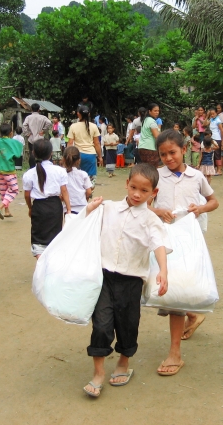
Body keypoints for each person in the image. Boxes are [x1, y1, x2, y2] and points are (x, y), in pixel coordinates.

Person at [83, 164, 171, 398]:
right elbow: (86, 224)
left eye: (144, 191)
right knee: (101, 325)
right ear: (126, 183)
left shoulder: (151, 220)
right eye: (133, 187)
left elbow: (159, 244)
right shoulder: (108, 208)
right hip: (103, 277)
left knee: (127, 324)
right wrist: (90, 209)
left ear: (154, 192)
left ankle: (123, 362)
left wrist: (163, 269)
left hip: (131, 281)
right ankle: (98, 372)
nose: (136, 194)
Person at [151, 129, 219, 374]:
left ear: (184, 150)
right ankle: (193, 315)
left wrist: (199, 209)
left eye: (173, 152)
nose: (168, 158)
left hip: (190, 241)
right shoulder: (156, 176)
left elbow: (214, 202)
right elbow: (144, 203)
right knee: (167, 289)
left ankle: (174, 354)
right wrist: (158, 212)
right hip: (164, 242)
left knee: (176, 291)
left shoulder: (196, 176)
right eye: (163, 154)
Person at [23, 139, 71, 258]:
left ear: (33, 153)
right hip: (55, 206)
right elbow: (64, 191)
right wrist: (68, 209)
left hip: (38, 207)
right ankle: (52, 261)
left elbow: (27, 195)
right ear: (51, 154)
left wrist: (30, 208)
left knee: (38, 236)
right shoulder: (60, 171)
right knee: (55, 235)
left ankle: (41, 260)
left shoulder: (29, 173)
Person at [0, 124, 24, 219]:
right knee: (14, 190)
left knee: (4, 190)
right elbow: (18, 154)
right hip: (9, 170)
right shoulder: (13, 142)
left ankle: (7, 211)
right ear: (11, 133)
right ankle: (1, 205)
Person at [67, 106, 103, 184]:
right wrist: (100, 157)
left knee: (77, 178)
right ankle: (89, 195)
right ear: (89, 114)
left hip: (77, 155)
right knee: (90, 178)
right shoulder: (94, 126)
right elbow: (97, 143)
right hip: (91, 155)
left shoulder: (73, 126)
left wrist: (67, 156)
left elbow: (70, 143)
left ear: (78, 114)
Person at [62, 146, 93, 214]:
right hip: (82, 207)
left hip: (67, 208)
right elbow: (89, 192)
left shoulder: (61, 174)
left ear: (63, 159)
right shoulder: (83, 174)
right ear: (79, 160)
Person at [22, 103, 53, 168]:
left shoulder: (28, 117)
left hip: (31, 138)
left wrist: (27, 133)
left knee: (32, 153)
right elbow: (49, 123)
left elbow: (24, 125)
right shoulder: (43, 117)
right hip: (40, 138)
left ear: (31, 109)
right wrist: (44, 130)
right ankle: (41, 166)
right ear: (39, 110)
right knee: (41, 153)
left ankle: (32, 167)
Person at [208, 108, 223, 175]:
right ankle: (214, 169)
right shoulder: (211, 119)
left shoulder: (218, 120)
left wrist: (222, 139)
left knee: (217, 154)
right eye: (211, 114)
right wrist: (207, 116)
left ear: (216, 113)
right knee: (213, 154)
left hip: (217, 138)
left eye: (213, 114)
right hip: (212, 138)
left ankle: (219, 170)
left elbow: (222, 130)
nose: (212, 115)